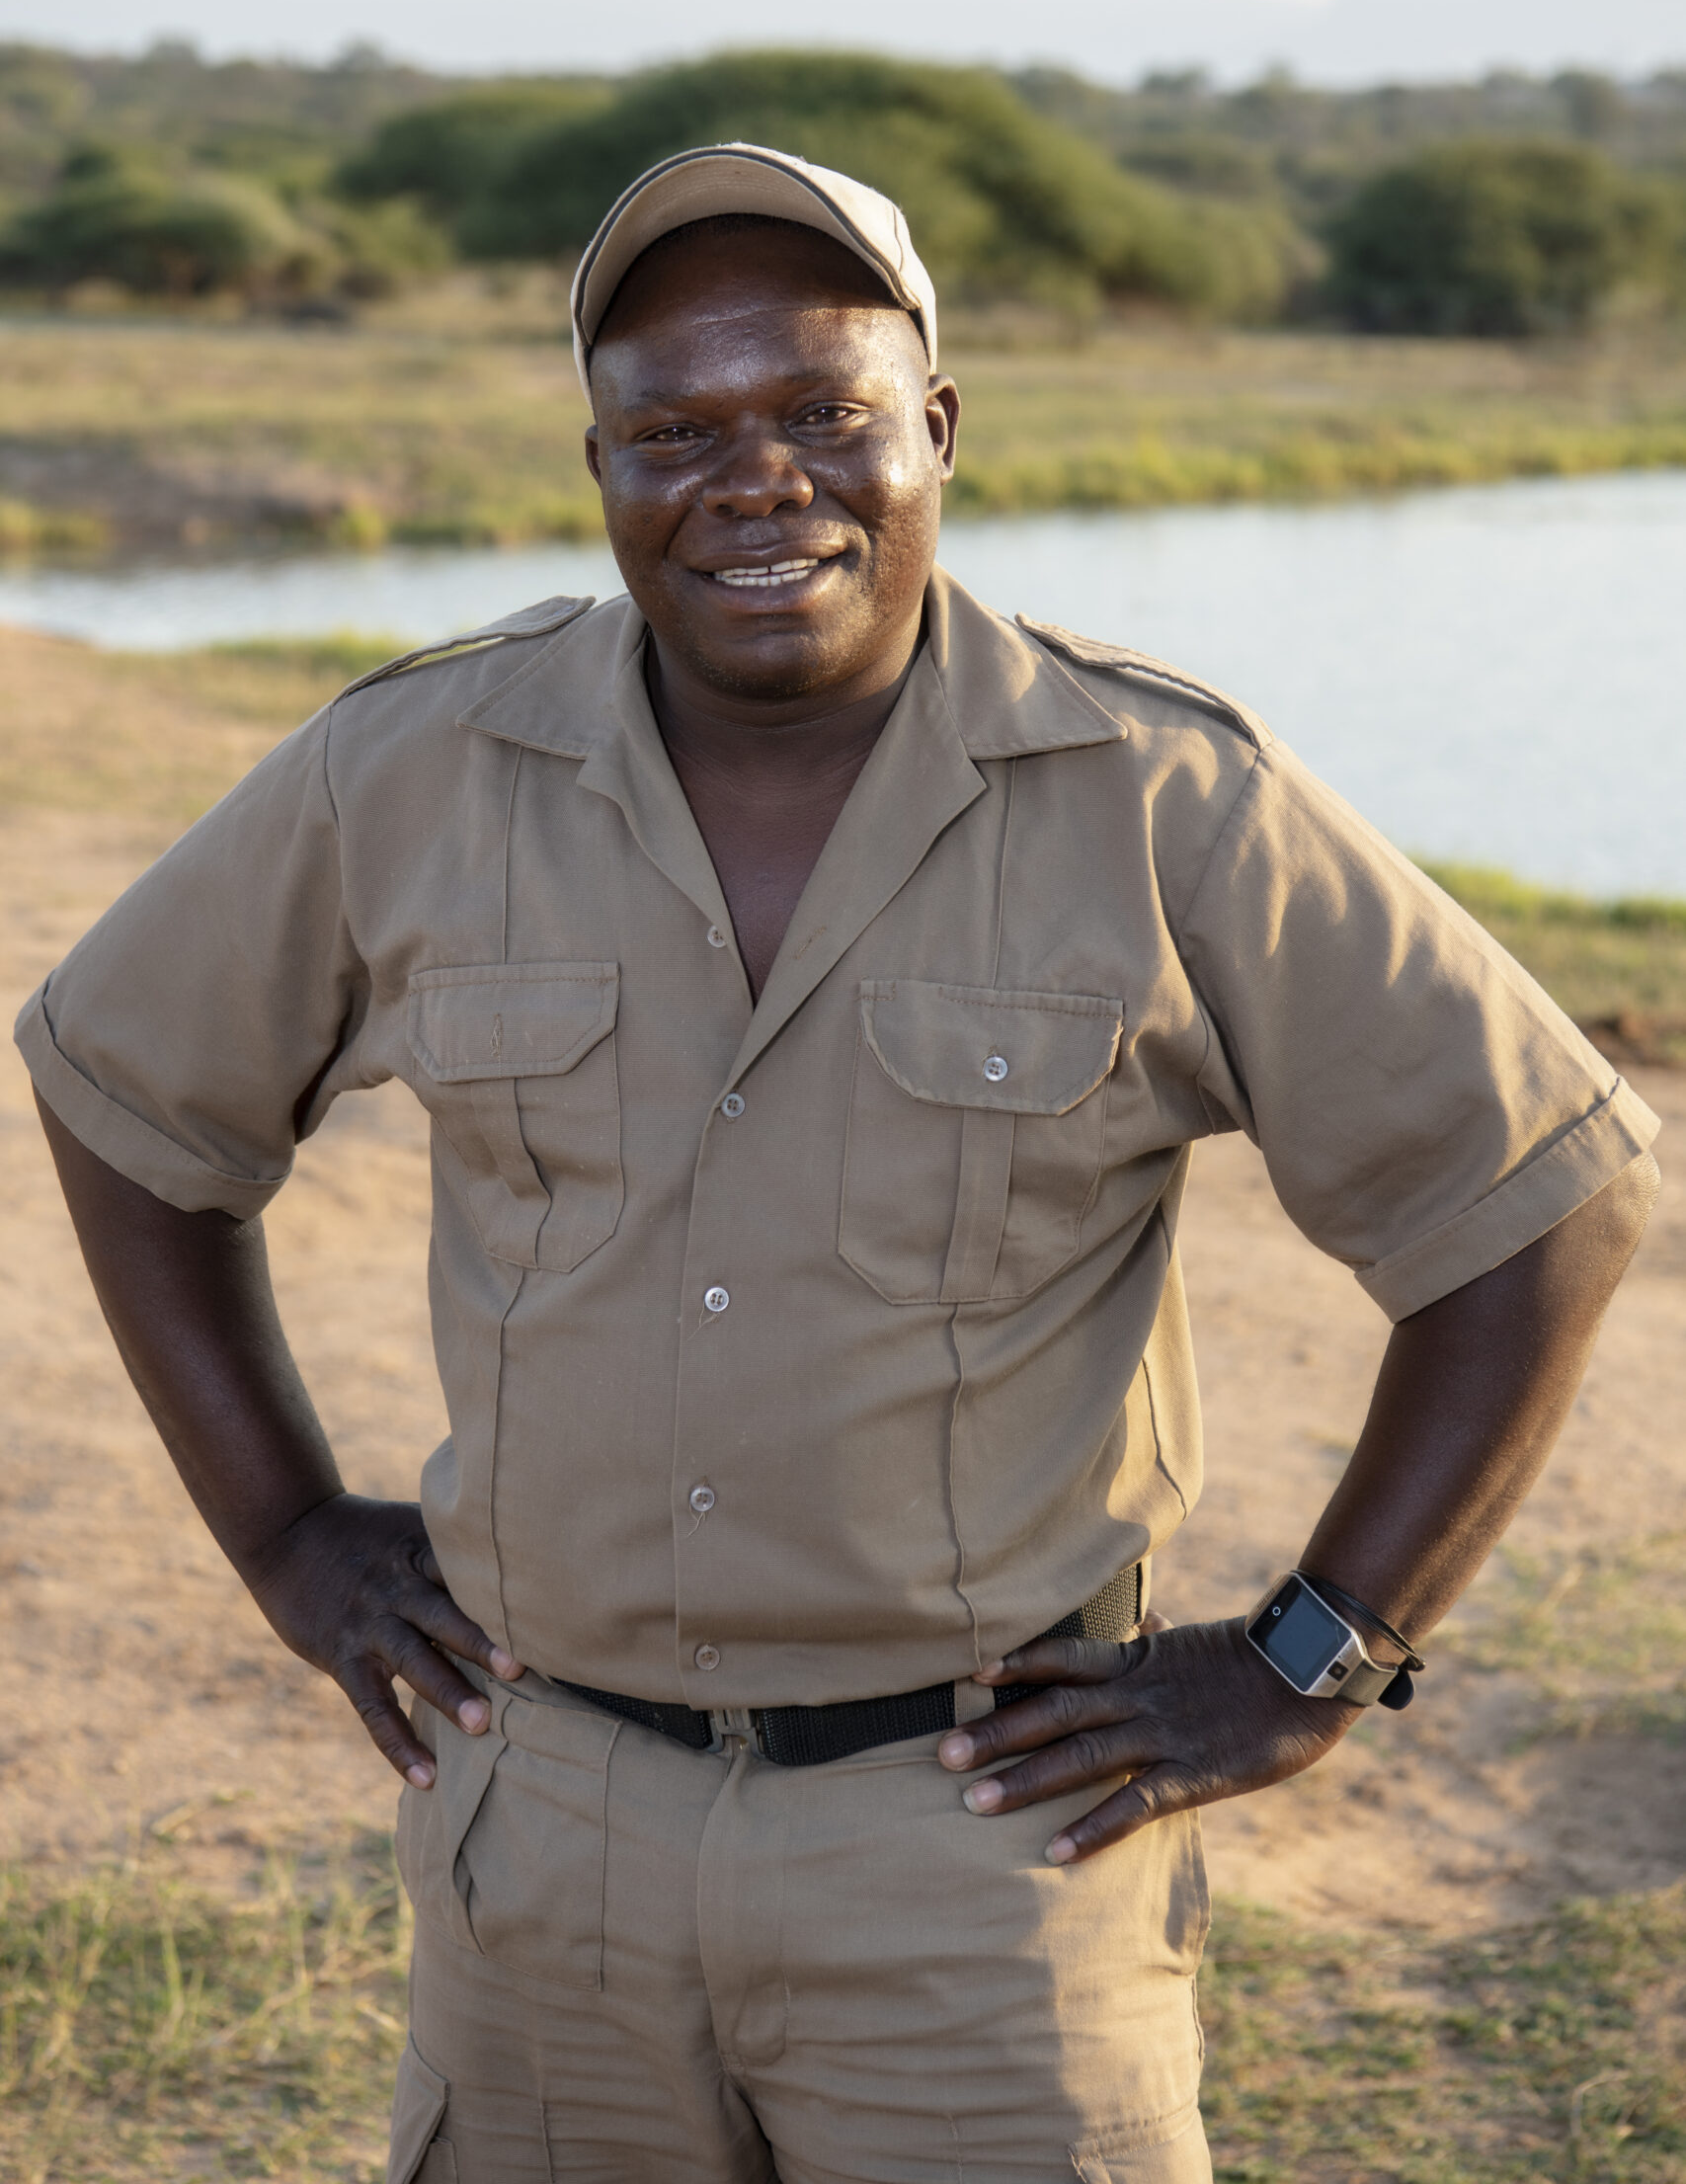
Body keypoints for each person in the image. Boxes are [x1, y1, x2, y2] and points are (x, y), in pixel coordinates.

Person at [21, 144, 1658, 2184]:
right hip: (543, 1841)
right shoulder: (413, 771)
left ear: (935, 429)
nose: (755, 478)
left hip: (976, 1851)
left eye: (820, 410)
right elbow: (121, 1090)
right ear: (601, 462)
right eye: (677, 429)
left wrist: (1310, 1655)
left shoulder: (1157, 796)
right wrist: (283, 1533)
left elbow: (1544, 1194)